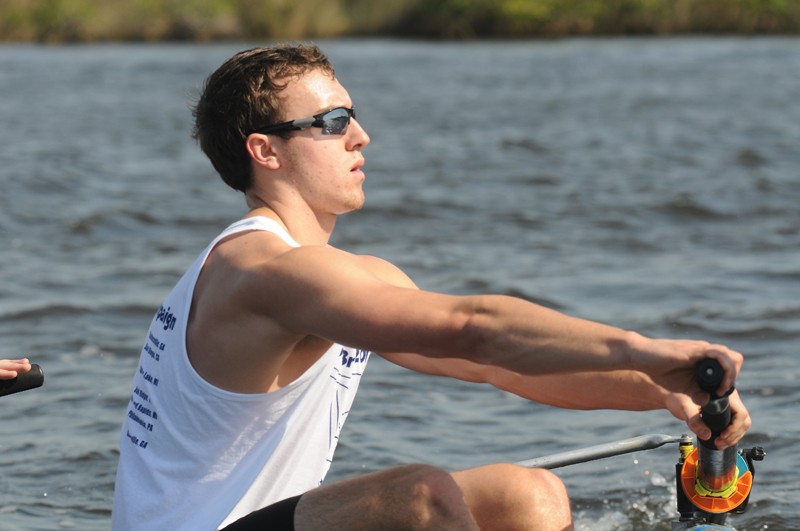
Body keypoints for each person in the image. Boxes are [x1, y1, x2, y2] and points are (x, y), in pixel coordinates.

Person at [112, 43, 751, 531]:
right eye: (333, 122)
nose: (362, 137)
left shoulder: (348, 279)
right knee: (422, 496)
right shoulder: (261, 270)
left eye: (354, 116)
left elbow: (499, 367)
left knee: (531, 496)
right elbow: (470, 326)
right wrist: (645, 350)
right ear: (266, 152)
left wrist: (663, 393)